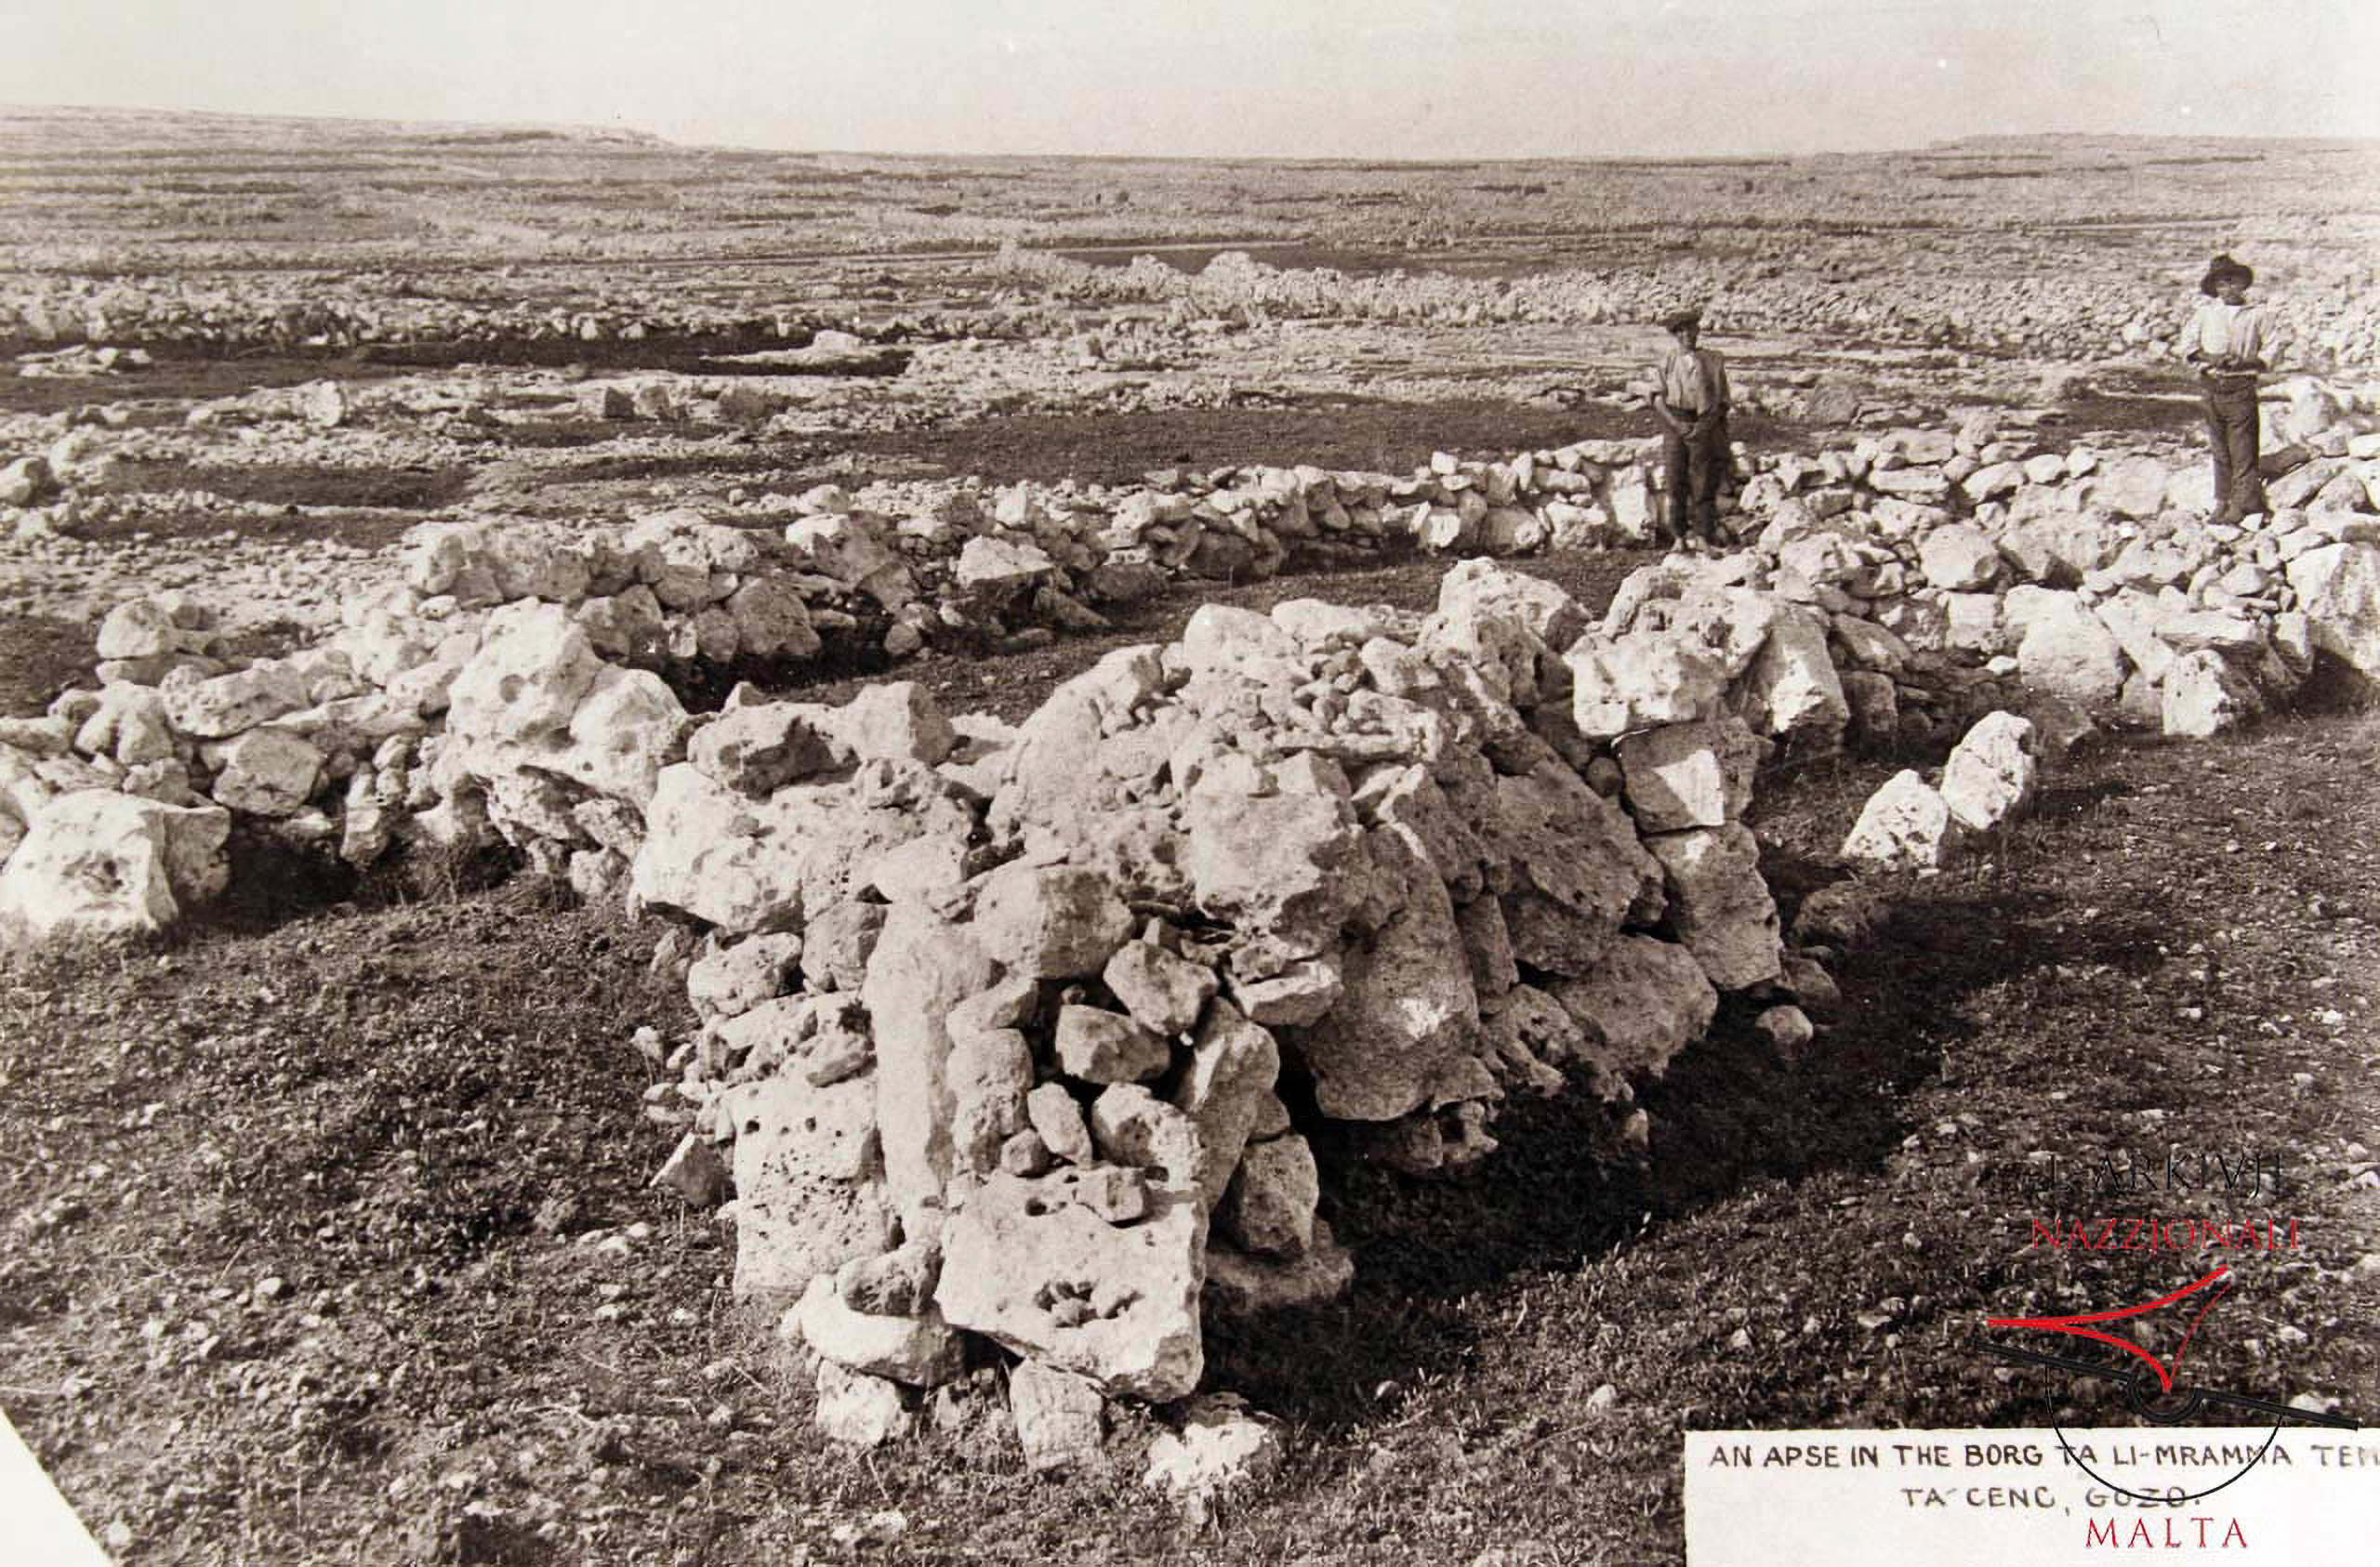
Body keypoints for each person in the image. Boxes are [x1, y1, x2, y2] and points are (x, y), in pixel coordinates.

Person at [2178, 254, 2269, 523]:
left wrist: (2247, 360)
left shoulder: (2258, 315)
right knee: (2219, 449)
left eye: (2232, 282)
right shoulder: (2205, 314)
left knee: (2243, 449)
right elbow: (2187, 345)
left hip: (2241, 388)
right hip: (2210, 387)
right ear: (2215, 288)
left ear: (2243, 283)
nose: (2228, 288)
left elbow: (2275, 348)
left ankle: (2243, 505)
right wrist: (2210, 358)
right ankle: (2222, 500)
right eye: (2221, 284)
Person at [1650, 307, 1732, 548]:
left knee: (1703, 479)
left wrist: (1705, 424)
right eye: (1681, 331)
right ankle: (1679, 536)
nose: (1687, 335)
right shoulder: (1667, 361)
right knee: (1676, 478)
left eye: (1691, 329)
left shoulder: (1713, 360)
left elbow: (1723, 399)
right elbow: (1656, 398)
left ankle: (1703, 535)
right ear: (1675, 335)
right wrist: (1676, 424)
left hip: (1704, 421)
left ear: (1698, 330)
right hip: (1675, 420)